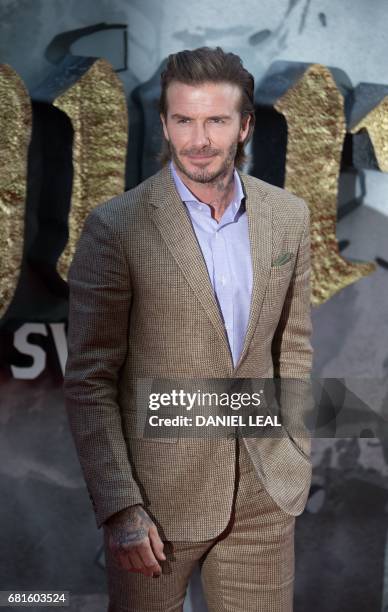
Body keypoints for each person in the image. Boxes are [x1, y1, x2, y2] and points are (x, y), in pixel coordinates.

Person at [63, 46, 313, 612]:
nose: (199, 140)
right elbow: (89, 379)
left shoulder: (289, 216)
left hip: (265, 492)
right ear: (166, 123)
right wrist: (121, 506)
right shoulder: (115, 226)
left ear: (245, 125)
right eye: (184, 120)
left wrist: (295, 450)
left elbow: (292, 345)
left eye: (216, 120)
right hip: (156, 502)